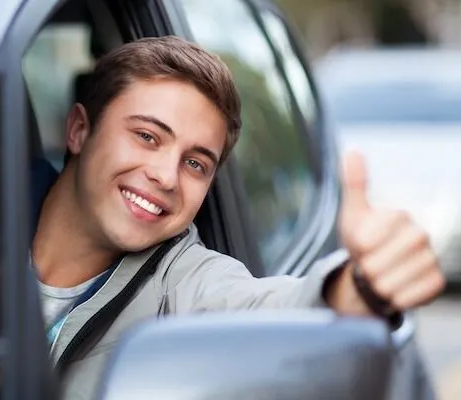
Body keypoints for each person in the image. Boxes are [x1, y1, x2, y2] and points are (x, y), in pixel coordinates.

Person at [29, 36, 445, 399]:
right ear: (80, 130)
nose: (166, 175)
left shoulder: (183, 278)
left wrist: (359, 290)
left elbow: (271, 310)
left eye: (195, 164)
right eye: (147, 137)